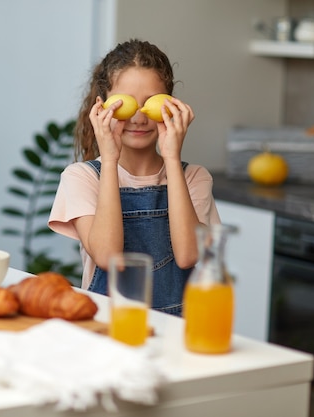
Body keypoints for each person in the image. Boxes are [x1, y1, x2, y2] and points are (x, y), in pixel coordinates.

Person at [48, 39, 220, 316]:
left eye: (151, 103)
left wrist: (172, 159)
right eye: (126, 103)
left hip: (176, 333)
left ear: (172, 105)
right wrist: (110, 158)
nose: (139, 118)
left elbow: (188, 255)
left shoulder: (194, 178)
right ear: (102, 107)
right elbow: (108, 257)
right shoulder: (82, 177)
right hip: (108, 329)